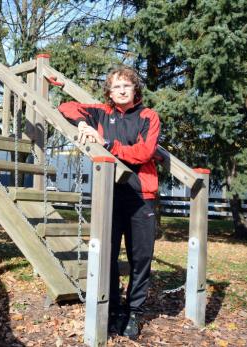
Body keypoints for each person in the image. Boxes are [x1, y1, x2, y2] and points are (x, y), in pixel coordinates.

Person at [58, 66, 160, 339]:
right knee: (109, 256)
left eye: (126, 85)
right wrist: (82, 124)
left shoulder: (148, 116)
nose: (122, 90)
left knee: (140, 258)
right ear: (110, 92)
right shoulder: (102, 112)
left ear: (135, 88)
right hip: (110, 196)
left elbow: (145, 152)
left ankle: (134, 312)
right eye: (116, 87)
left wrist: (108, 143)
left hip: (141, 197)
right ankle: (113, 310)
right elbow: (66, 106)